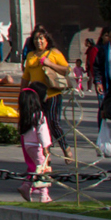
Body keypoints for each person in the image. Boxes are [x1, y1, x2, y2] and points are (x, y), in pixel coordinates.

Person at [21, 25, 72, 162]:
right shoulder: (30, 55)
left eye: (41, 38)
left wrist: (50, 63)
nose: (39, 41)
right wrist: (22, 93)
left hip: (52, 94)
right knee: (39, 125)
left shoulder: (54, 53)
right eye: (36, 39)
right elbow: (26, 77)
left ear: (47, 40)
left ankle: (66, 149)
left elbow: (67, 70)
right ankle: (46, 154)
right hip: (36, 96)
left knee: (53, 123)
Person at [17, 84, 53, 203]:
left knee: (36, 169)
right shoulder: (39, 115)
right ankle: (44, 196)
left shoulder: (26, 116)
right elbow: (42, 132)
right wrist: (46, 147)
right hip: (38, 146)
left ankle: (26, 186)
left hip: (28, 145)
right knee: (43, 170)